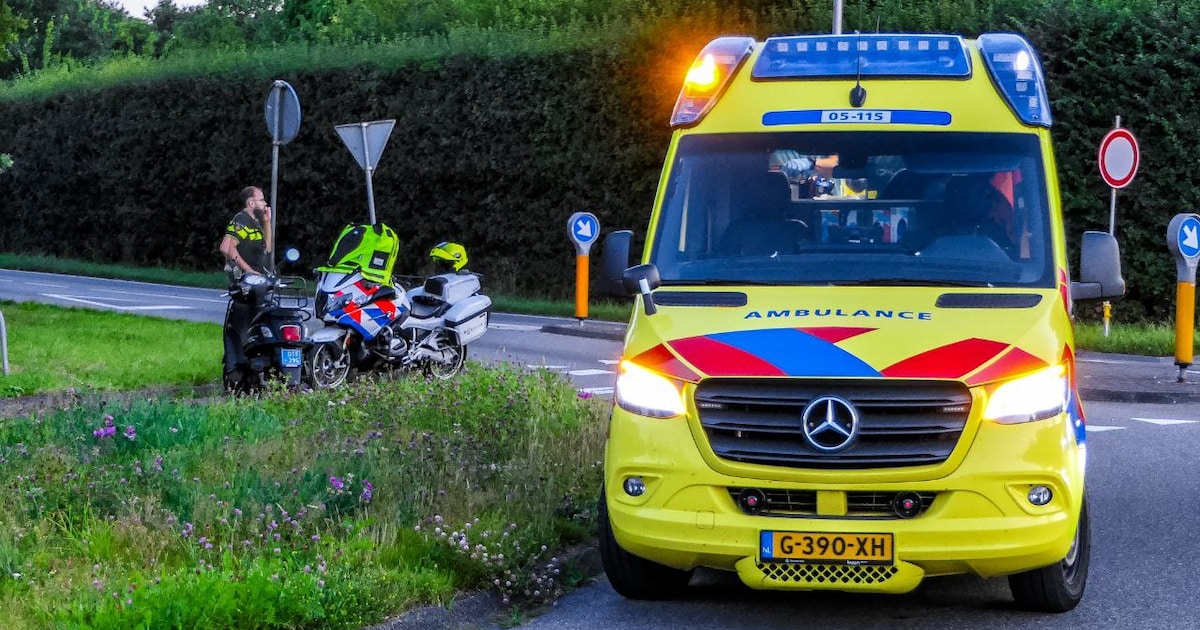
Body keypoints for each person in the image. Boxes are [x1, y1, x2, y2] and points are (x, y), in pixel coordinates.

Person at [220, 185, 273, 281]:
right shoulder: (242, 219)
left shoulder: (255, 222)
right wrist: (249, 271)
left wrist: (267, 221)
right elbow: (226, 248)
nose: (265, 203)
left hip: (258, 278)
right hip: (247, 281)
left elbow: (267, 248)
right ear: (251, 203)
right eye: (261, 200)